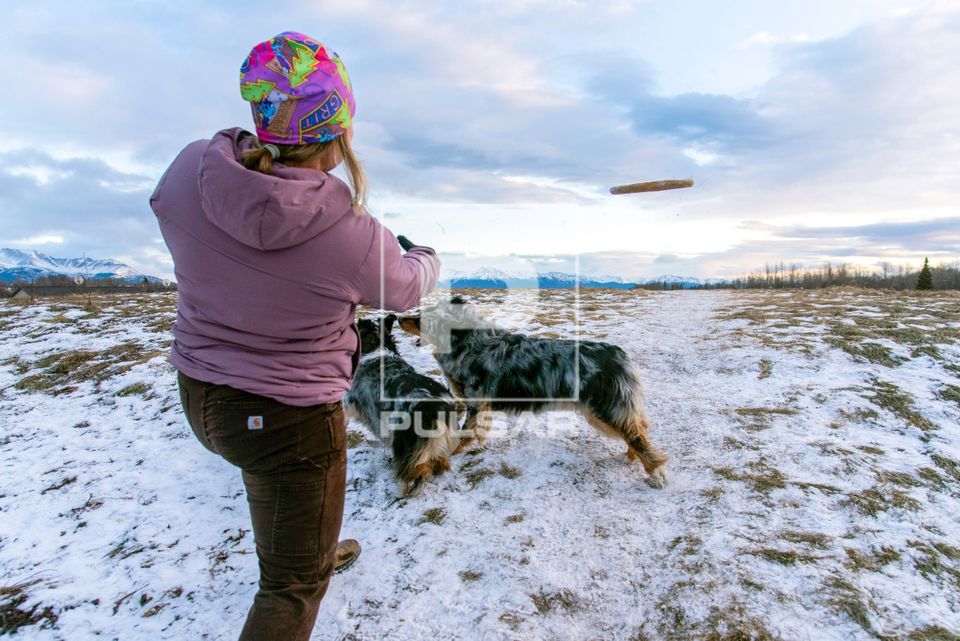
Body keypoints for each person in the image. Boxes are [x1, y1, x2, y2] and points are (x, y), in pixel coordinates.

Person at [150, 31, 440, 641]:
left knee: (273, 481)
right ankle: (302, 562)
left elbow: (168, 203)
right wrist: (427, 254)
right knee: (289, 589)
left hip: (202, 395)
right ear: (337, 133)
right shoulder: (352, 235)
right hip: (288, 417)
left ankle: (306, 543)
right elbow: (408, 291)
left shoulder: (187, 173)